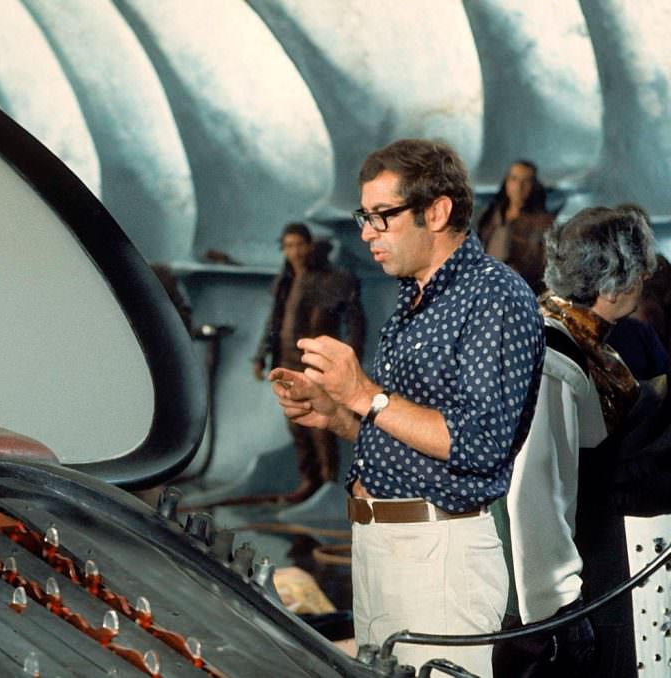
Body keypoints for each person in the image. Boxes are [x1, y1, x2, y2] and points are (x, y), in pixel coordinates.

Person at [269, 138, 544, 676]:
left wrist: (361, 394)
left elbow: (480, 443)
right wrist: (339, 416)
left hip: (438, 557)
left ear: (437, 211)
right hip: (380, 545)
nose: (367, 233)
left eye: (382, 216)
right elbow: (404, 429)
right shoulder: (414, 297)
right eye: (364, 216)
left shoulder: (494, 297)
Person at [494, 206, 658, 677]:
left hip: (593, 565)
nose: (647, 276)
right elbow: (535, 492)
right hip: (563, 593)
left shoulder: (581, 338)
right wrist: (559, 611)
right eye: (640, 268)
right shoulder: (553, 352)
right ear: (612, 283)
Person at [253, 223, 366, 501]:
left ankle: (327, 483)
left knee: (322, 426)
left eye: (299, 245)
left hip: (314, 362)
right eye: (289, 246)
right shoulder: (286, 280)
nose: (294, 252)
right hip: (286, 361)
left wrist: (351, 356)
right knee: (297, 425)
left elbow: (355, 320)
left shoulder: (330, 279)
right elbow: (274, 321)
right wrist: (261, 356)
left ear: (310, 245)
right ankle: (309, 481)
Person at [477, 160, 554, 294]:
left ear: (534, 185)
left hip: (524, 292)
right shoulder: (490, 215)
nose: (519, 187)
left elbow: (548, 268)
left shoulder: (544, 223)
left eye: (526, 181)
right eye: (514, 179)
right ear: (506, 182)